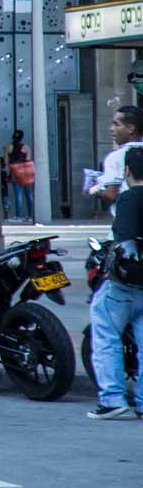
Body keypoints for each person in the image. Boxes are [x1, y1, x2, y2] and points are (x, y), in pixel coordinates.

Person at [90, 145, 143, 419]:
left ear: (126, 171)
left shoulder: (130, 198)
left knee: (106, 335)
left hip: (126, 284)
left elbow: (124, 237)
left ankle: (112, 398)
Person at [6, 130, 35, 222]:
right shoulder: (26, 148)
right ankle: (30, 215)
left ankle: (18, 216)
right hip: (26, 174)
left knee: (18, 196)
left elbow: (6, 162)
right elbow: (28, 160)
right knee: (28, 195)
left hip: (15, 174)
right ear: (22, 137)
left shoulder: (9, 147)